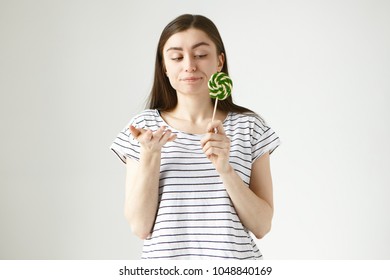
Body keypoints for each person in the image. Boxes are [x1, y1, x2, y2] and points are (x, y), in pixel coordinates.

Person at [110, 14, 280, 260]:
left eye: (200, 55)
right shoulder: (144, 128)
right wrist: (150, 157)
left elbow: (262, 226)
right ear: (164, 66)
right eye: (177, 57)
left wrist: (226, 169)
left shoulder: (249, 127)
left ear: (219, 61)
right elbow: (140, 227)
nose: (189, 65)